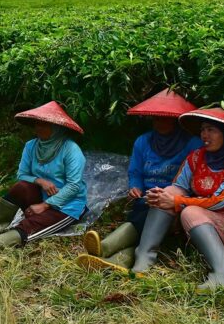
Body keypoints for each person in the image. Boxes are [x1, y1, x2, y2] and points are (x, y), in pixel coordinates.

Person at [132, 105, 224, 291]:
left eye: (211, 130)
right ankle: (144, 256)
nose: (204, 135)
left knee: (189, 211)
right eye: (202, 130)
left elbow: (218, 202)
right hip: (200, 224)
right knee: (167, 192)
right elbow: (179, 187)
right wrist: (163, 195)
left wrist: (176, 202)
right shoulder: (197, 157)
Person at [77, 89, 202, 272]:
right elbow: (135, 172)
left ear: (176, 120)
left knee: (150, 216)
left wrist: (175, 200)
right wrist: (135, 186)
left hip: (173, 204)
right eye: (156, 118)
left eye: (165, 118)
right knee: (145, 215)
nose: (160, 123)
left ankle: (106, 248)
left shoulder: (192, 144)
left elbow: (194, 182)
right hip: (145, 200)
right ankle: (114, 260)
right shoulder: (143, 141)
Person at [0, 101, 88, 256]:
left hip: (67, 205)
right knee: (21, 187)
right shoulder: (31, 146)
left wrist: (44, 206)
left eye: (43, 125)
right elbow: (22, 174)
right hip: (41, 195)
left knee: (31, 224)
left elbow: (74, 186)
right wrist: (40, 181)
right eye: (36, 124)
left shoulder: (71, 149)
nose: (38, 128)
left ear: (56, 127)